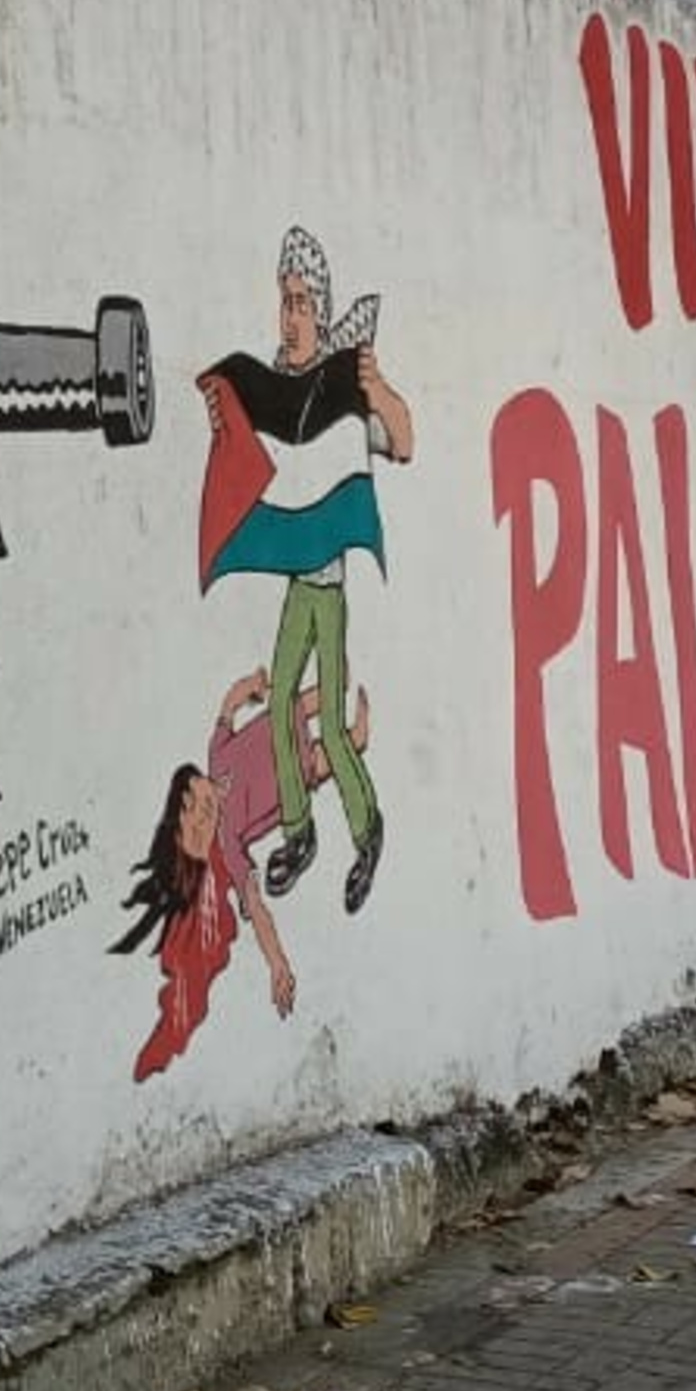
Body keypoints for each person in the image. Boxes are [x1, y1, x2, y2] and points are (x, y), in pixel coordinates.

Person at [195, 226, 412, 918]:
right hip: (298, 583)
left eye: (299, 303)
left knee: (330, 715)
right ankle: (299, 830)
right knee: (283, 699)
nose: (287, 318)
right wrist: (225, 416)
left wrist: (377, 389)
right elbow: (246, 450)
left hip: (328, 593)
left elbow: (403, 442)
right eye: (282, 302)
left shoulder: (342, 391)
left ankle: (366, 828)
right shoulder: (274, 386)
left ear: (320, 310)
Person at [113, 688, 300, 1083]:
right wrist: (277, 962)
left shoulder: (221, 763)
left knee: (190, 987)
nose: (202, 816)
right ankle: (155, 1058)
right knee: (189, 985)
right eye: (195, 820)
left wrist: (250, 686)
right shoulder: (222, 847)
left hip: (284, 738)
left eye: (200, 807)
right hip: (294, 774)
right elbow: (255, 905)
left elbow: (227, 710)